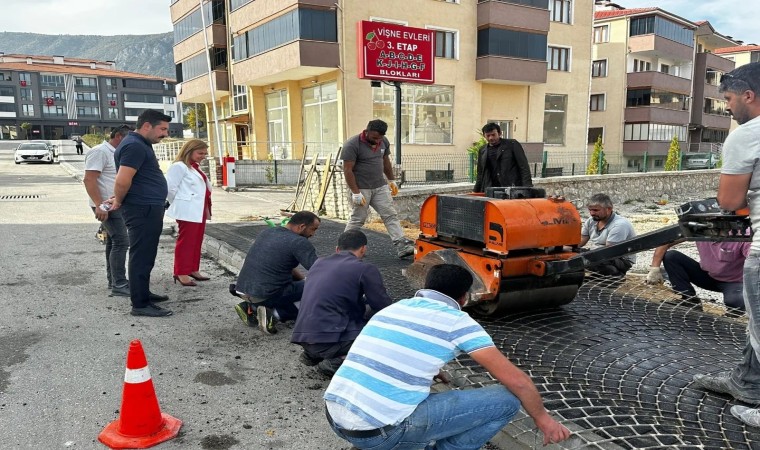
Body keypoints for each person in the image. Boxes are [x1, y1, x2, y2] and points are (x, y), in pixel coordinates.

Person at [323, 264, 571, 450]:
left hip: (335, 416)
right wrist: (543, 419)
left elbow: (383, 354)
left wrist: (427, 371)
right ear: (464, 297)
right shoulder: (458, 321)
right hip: (380, 433)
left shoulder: (394, 308)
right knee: (507, 400)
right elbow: (518, 382)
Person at [692, 62, 760, 405]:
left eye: (730, 98)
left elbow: (730, 200)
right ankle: (747, 382)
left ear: (749, 96)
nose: (728, 107)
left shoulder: (746, 136)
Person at [291, 229, 392, 377]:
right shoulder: (364, 268)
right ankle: (337, 361)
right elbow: (383, 306)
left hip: (304, 337)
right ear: (364, 249)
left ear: (337, 249)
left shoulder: (318, 263)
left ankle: (313, 354)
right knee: (385, 335)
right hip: (329, 340)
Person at [109, 109, 173, 317]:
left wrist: (119, 198)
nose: (165, 134)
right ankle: (140, 304)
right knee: (142, 256)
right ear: (147, 126)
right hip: (142, 209)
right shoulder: (135, 146)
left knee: (146, 254)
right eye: (162, 129)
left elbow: (132, 180)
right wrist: (118, 200)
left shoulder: (138, 144)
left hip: (146, 206)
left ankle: (142, 293)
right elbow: (122, 179)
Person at [234, 211, 320, 334]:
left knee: (302, 285)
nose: (313, 234)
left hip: (243, 290)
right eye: (313, 229)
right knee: (316, 289)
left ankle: (250, 307)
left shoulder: (268, 232)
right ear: (301, 227)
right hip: (265, 294)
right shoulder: (299, 242)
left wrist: (302, 282)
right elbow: (321, 271)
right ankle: (274, 315)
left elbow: (284, 266)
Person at [341, 119, 414, 259]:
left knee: (390, 214)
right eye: (374, 137)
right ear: (366, 131)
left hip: (380, 186)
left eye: (380, 138)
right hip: (361, 188)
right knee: (358, 218)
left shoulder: (383, 141)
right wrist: (355, 192)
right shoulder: (352, 144)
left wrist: (391, 180)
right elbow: (347, 170)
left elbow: (385, 161)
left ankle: (401, 245)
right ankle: (345, 248)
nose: (377, 140)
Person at [82, 124, 133, 297]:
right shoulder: (100, 152)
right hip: (106, 205)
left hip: (115, 203)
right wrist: (99, 205)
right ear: (118, 136)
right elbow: (89, 180)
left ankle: (114, 280)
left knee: (113, 241)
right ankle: (119, 284)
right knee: (121, 241)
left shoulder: (116, 153)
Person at [646, 240, 749, 310]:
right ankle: (689, 300)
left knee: (735, 302)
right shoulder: (701, 229)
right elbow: (666, 241)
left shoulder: (741, 235)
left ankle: (733, 319)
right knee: (671, 256)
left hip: (734, 282)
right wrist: (655, 268)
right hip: (707, 275)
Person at [165, 139, 212, 287]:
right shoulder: (179, 167)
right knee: (186, 241)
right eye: (200, 153)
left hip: (199, 209)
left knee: (196, 240)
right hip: (188, 210)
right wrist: (181, 202)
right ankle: (181, 272)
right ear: (189, 151)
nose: (203, 156)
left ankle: (192, 269)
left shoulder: (194, 167)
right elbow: (169, 189)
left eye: (205, 153)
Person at [580, 193, 636, 276]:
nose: (592, 213)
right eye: (590, 210)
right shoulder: (591, 221)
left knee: (589, 259)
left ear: (609, 209)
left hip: (619, 258)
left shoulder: (619, 225)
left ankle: (615, 275)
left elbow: (609, 252)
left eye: (595, 210)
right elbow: (581, 240)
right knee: (571, 255)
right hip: (600, 254)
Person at [473, 122, 532, 193]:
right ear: (484, 136)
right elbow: (480, 173)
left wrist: (527, 188)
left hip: (511, 188)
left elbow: (524, 167)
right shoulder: (482, 150)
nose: (491, 138)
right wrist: (476, 191)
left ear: (500, 133)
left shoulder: (512, 145)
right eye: (488, 135)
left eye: (493, 135)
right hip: (490, 190)